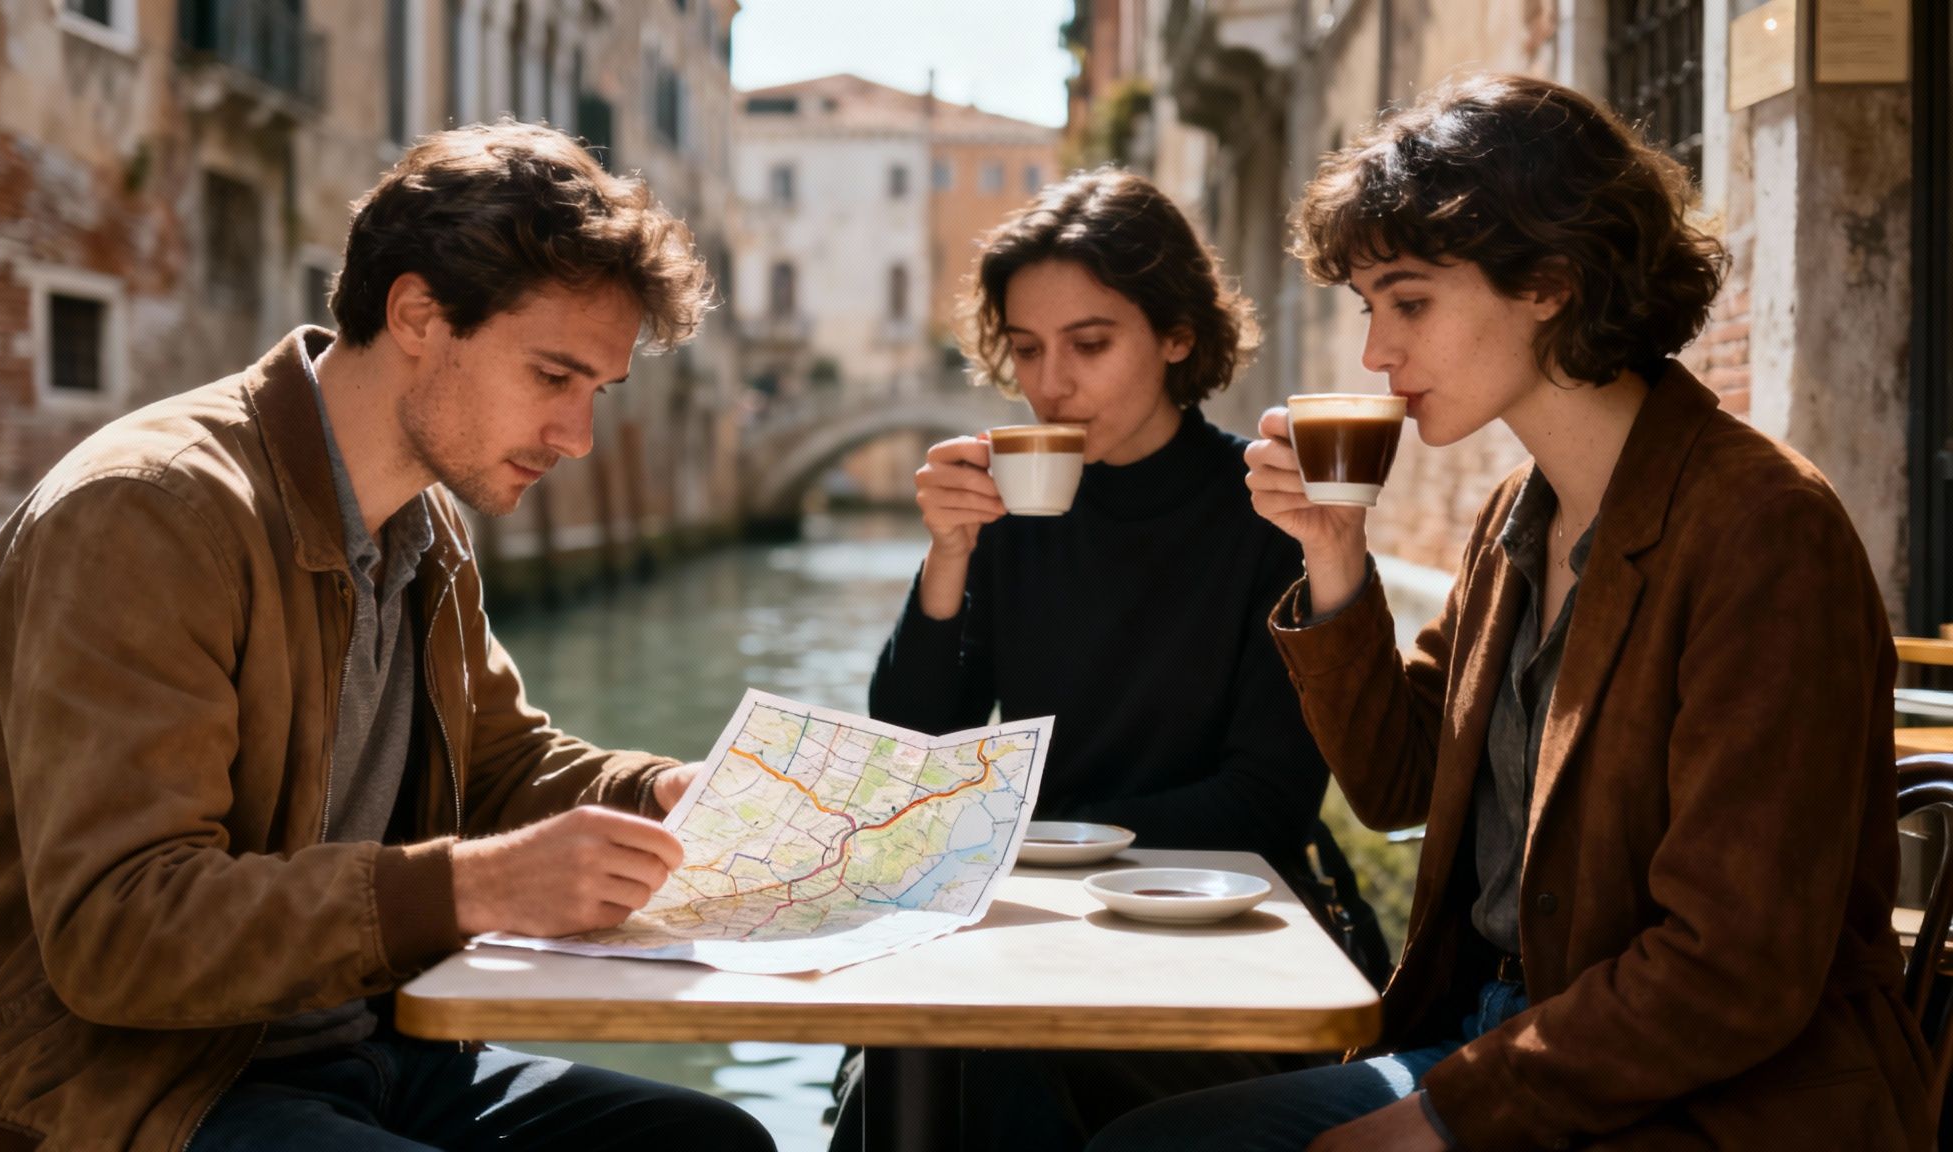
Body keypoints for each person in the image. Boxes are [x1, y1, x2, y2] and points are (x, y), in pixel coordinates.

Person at [1089, 73, 1931, 1152]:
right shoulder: (1510, 521)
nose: (1373, 355)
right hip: (1491, 1041)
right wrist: (1333, 556)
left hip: (1712, 1101)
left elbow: (1733, 968)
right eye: (1366, 309)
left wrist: (1436, 1120)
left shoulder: (1762, 528)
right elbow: (1396, 786)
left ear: (1547, 279)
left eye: (1408, 301)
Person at [0, 122, 774, 1152]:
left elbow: (498, 763)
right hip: (107, 1082)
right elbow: (117, 930)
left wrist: (661, 797)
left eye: (597, 392)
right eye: (552, 377)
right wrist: (473, 887)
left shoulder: (424, 520)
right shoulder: (145, 514)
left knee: (708, 1145)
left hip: (358, 1044)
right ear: (416, 313)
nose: (576, 437)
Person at [827, 169, 1387, 1151]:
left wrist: (1014, 834)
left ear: (1175, 336)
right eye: (1027, 349)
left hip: (1218, 930)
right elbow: (916, 754)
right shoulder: (1011, 513)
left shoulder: (1269, 517)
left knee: (980, 1046)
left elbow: (1266, 804)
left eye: (1089, 344)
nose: (1050, 384)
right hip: (1035, 921)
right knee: (918, 1039)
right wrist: (946, 560)